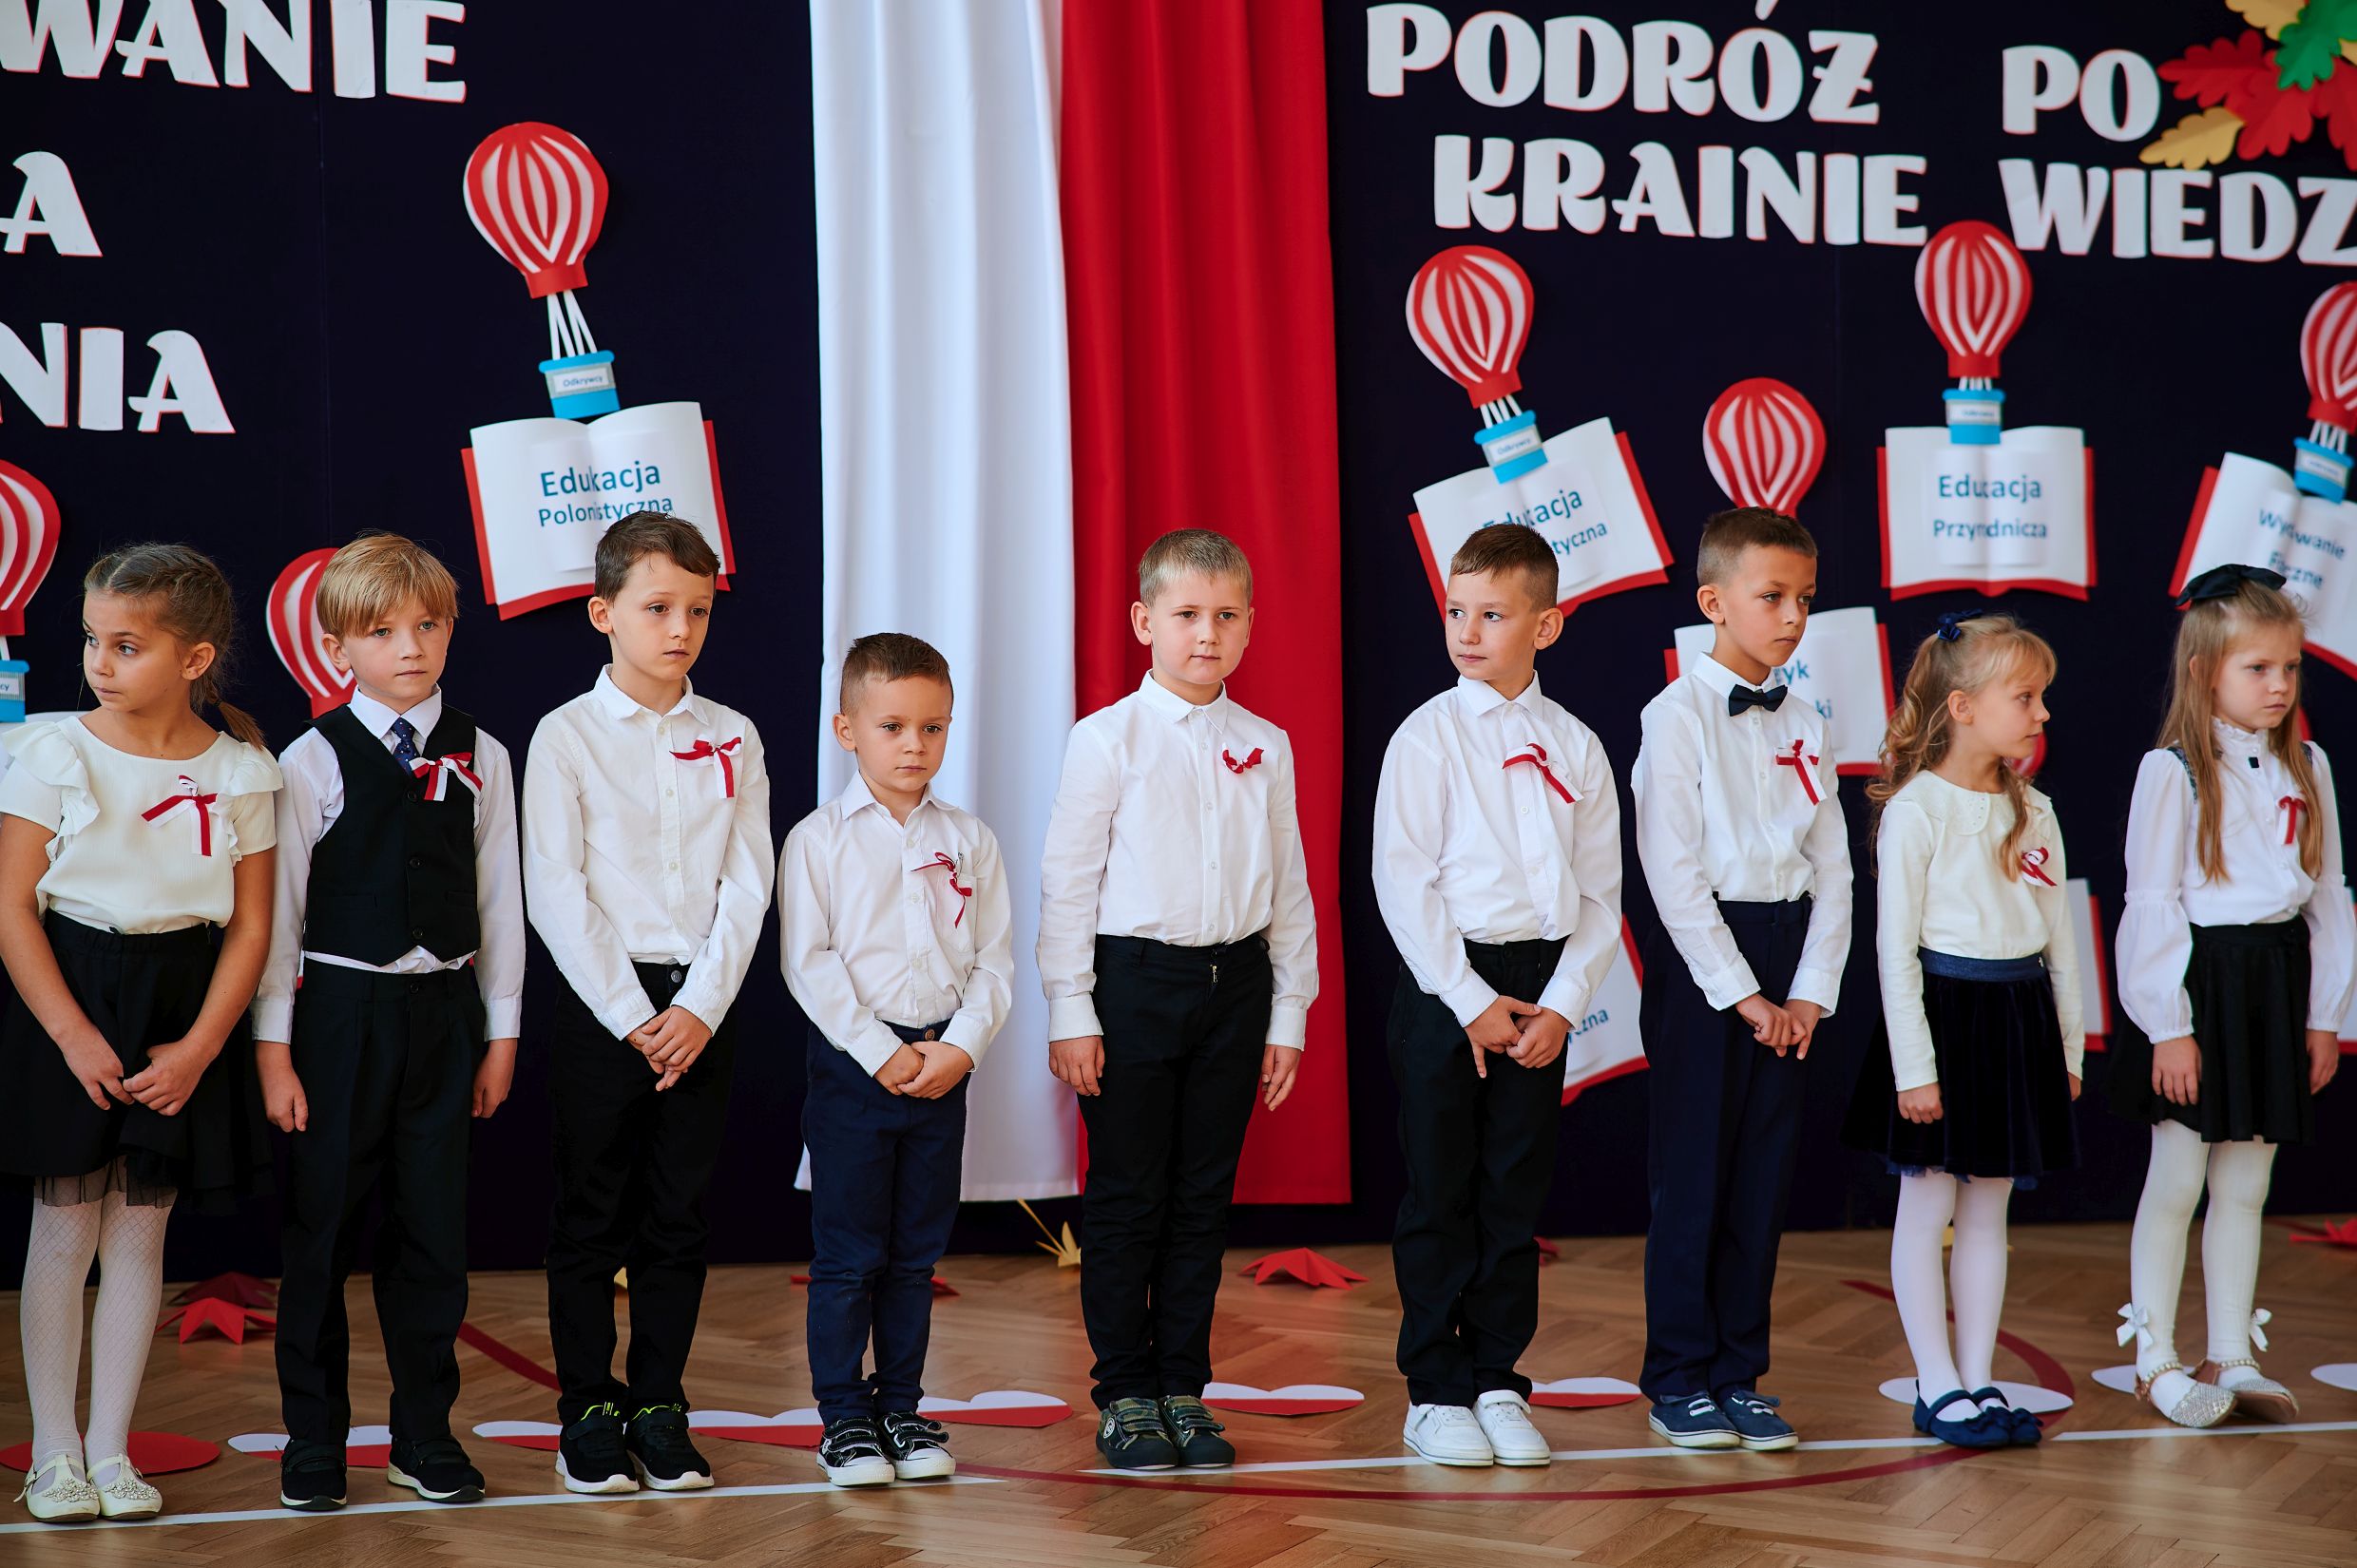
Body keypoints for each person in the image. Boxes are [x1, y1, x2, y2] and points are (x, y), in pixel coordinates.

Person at [0, 545, 279, 1523]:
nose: (99, 662)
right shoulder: (55, 752)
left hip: (182, 1005)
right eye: (92, 640)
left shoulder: (242, 769)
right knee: (65, 1224)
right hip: (71, 992)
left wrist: (200, 1047)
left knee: (140, 1227)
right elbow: (11, 907)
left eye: (127, 645)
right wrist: (72, 1034)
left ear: (194, 659)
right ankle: (54, 1456)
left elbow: (251, 927)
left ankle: (112, 1452)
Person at [255, 532, 525, 1511]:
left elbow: (500, 901)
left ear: (450, 629)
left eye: (427, 625)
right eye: (381, 632)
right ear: (338, 648)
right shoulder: (309, 758)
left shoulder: (484, 753)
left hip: (444, 1018)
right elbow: (278, 915)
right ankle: (313, 1440)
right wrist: (274, 1051)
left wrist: (501, 1033)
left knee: (432, 1238)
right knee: (321, 1234)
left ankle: (423, 1436)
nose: (409, 647)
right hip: (339, 1018)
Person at [1039, 527, 1318, 1471]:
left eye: (1225, 616)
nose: (1207, 634)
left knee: (1202, 1199)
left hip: (1235, 987)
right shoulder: (1105, 739)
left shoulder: (1266, 745)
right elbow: (1068, 884)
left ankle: (1182, 1389)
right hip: (1132, 983)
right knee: (1128, 1198)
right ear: (1143, 621)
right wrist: (1071, 1008)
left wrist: (1288, 1011)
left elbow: (1288, 887)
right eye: (1187, 614)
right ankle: (1124, 1393)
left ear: (1249, 626)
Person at [526, 512, 775, 1493]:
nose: (680, 629)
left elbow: (748, 883)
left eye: (698, 610)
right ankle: (587, 1410)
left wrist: (700, 1008)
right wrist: (634, 1016)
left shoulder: (733, 735)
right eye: (658, 607)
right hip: (606, 1004)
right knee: (592, 1216)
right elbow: (556, 889)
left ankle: (660, 1403)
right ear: (604, 613)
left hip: (702, 1004)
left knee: (678, 1215)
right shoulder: (565, 736)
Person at [1371, 521, 1622, 1470]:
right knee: (1440, 1191)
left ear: (1545, 626)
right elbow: (1402, 883)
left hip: (1539, 987)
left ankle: (1494, 1379)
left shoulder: (1577, 746)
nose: (1467, 632)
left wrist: (1561, 1004)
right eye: (1455, 612)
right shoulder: (1426, 736)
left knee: (1512, 1191)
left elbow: (1599, 896)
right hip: (1449, 985)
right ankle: (1434, 1390)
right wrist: (1467, 999)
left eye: (1492, 614)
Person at [2110, 565, 2351, 1427]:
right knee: (2178, 1179)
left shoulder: (2308, 764)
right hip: (2199, 985)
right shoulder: (2172, 771)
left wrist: (2324, 1016)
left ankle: (2230, 1352)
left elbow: (2328, 897)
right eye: (2257, 668)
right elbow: (2151, 903)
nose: (2279, 684)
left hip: (2276, 984)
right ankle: (2154, 1359)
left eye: (2289, 667)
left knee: (2246, 1182)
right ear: (2206, 671)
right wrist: (2168, 1027)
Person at [1631, 507, 1851, 1451]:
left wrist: (1809, 991)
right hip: (1705, 964)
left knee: (1761, 1180)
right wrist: (1741, 992)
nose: (1793, 616)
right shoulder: (1674, 717)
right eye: (1772, 597)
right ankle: (1678, 1377)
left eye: (1805, 598)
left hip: (1787, 954)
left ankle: (1737, 1373)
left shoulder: (1807, 722)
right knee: (1693, 1178)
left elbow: (1834, 869)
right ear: (1714, 602)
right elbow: (1671, 872)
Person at [1840, 609, 2080, 1450]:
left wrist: (2067, 1047)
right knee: (1929, 1203)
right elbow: (1894, 950)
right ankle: (1935, 1382)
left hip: (2017, 1021)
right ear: (1964, 707)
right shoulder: (1918, 810)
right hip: (1946, 1020)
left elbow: (2060, 941)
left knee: (1989, 1212)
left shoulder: (2036, 810)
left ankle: (1978, 1377)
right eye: (2026, 697)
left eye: (2042, 697)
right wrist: (1916, 1068)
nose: (2042, 713)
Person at [782, 632, 1012, 1487]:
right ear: (847, 730)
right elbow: (808, 963)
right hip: (856, 1065)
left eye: (933, 727)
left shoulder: (970, 838)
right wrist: (881, 1054)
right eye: (893, 727)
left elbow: (994, 961)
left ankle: (902, 1408)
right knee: (850, 1256)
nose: (915, 745)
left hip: (942, 1065)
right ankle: (844, 1418)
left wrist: (960, 1047)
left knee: (916, 1254)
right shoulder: (819, 839)